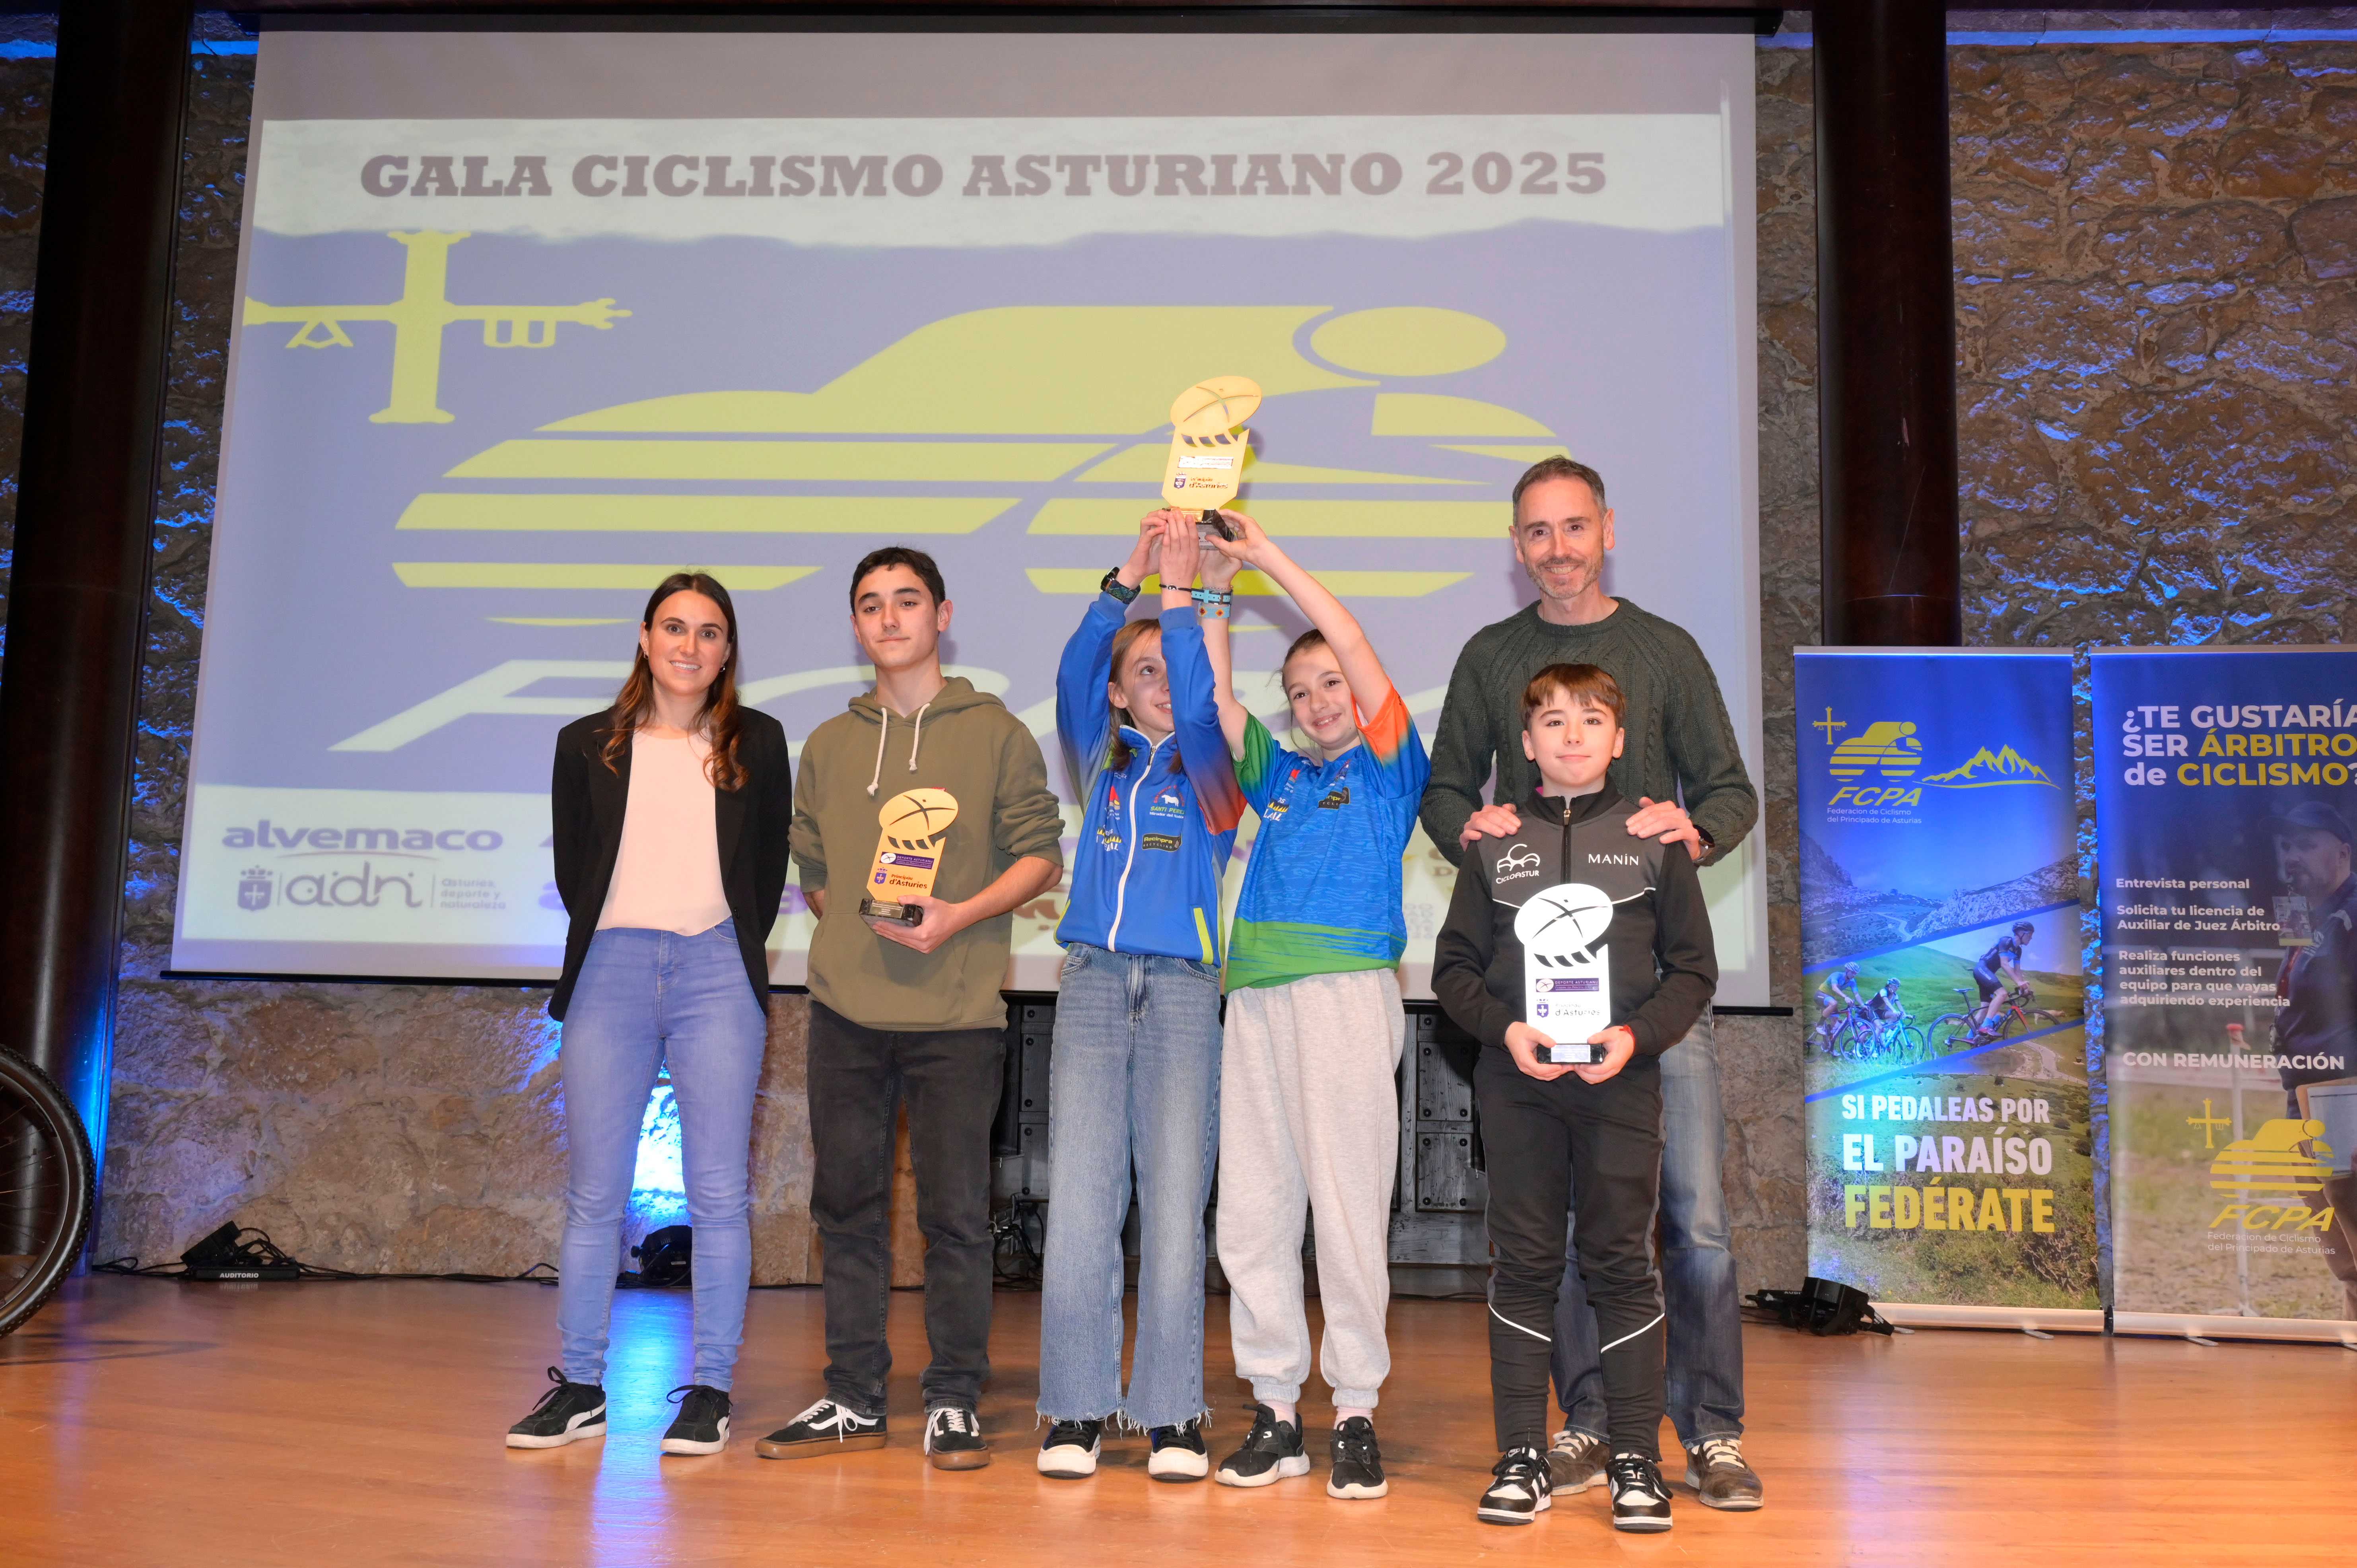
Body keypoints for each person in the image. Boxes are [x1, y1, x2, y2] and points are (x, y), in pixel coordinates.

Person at [1420, 456, 1762, 1510]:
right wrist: (1472, 828)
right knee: (1561, 1235)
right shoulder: (1490, 656)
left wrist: (1686, 835)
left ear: (1606, 530)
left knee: (1692, 1222)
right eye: (1536, 531)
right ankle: (1585, 1423)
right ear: (1514, 545)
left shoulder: (1665, 650)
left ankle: (1708, 1432)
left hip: (1649, 997)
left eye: (1573, 527)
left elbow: (1729, 791)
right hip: (1536, 999)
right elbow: (1443, 789)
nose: (1556, 548)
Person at [759, 546, 1065, 1472]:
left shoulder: (996, 733)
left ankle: (952, 1398)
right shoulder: (828, 744)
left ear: (942, 615)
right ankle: (853, 1396)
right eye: (870, 605)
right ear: (856, 625)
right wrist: (862, 935)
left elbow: (1040, 855)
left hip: (957, 1019)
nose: (888, 618)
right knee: (845, 1210)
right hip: (845, 1016)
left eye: (905, 601)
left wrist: (955, 917)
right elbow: (815, 870)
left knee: (956, 1219)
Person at [507, 571, 793, 1457]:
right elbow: (577, 873)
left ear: (727, 650)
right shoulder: (584, 743)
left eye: (709, 632)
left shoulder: (758, 740)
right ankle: (581, 1385)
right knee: (595, 1193)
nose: (689, 646)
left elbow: (764, 871)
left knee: (718, 1194)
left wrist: (714, 944)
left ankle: (710, 1390)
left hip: (717, 969)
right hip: (611, 970)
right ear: (644, 636)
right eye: (674, 627)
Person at [1431, 663, 1716, 1531]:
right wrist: (1504, 1030)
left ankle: (1634, 1457)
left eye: (1590, 720)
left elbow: (1692, 969)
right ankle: (1520, 1454)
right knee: (1523, 1264)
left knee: (1620, 1264)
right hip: (1516, 1084)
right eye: (1551, 722)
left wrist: (1634, 1037)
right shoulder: (1492, 842)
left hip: (1618, 1080)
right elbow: (1453, 969)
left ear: (1618, 740)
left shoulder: (1653, 839)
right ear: (1525, 744)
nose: (1570, 735)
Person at [1187, 509, 1430, 1501]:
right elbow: (1213, 698)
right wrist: (1210, 591)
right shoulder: (1279, 775)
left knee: (1344, 1208)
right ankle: (1276, 1409)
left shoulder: (1387, 770)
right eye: (1300, 691)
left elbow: (1353, 640)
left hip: (1342, 998)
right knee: (1252, 1210)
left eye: (1331, 684)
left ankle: (1355, 1411)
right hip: (1254, 1001)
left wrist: (1263, 559)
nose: (1320, 701)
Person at [1034, 511, 1244, 1483]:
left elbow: (1200, 702)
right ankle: (1076, 1406)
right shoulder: (1101, 760)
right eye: (1143, 671)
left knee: (1172, 1206)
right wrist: (1127, 578)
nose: (1161, 682)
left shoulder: (1210, 770)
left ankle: (1171, 1413)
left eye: (1170, 667)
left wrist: (1181, 596)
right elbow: (1075, 667)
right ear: (1118, 694)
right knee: (1081, 1203)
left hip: (1181, 992)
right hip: (1089, 985)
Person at [2266, 800, 2357, 1320]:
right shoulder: (2296, 910)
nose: (2291, 855)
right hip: (2300, 1090)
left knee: (2349, 1209)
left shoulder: (2351, 913)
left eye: (2305, 843)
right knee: (2332, 1234)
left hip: (2342, 1090)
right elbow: (2293, 992)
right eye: (2286, 846)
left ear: (2342, 852)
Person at [1971, 921, 2035, 1036]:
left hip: (1988, 974)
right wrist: (2019, 983)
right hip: (1982, 969)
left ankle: (1971, 1038)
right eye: (2030, 935)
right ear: (2021, 933)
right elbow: (2004, 964)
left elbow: (2017, 971)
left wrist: (2024, 989)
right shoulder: (2005, 941)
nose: (2031, 938)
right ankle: (1986, 1026)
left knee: (1984, 1010)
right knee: (2002, 994)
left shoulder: (2018, 951)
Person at [1815, 961, 1865, 1043]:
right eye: (1853, 973)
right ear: (1847, 970)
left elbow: (1856, 994)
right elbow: (1834, 988)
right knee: (1834, 1003)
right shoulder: (1837, 975)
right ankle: (1820, 1025)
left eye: (1856, 974)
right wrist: (1845, 997)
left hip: (1830, 998)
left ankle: (1829, 1045)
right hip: (1820, 994)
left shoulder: (1852, 981)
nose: (1854, 975)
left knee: (1835, 1025)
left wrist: (1863, 1005)